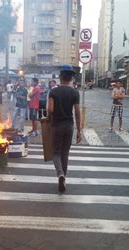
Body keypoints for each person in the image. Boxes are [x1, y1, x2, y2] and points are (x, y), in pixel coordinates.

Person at [47, 65, 82, 193]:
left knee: (56, 152)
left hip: (56, 125)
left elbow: (50, 109)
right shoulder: (75, 92)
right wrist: (79, 131)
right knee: (65, 153)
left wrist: (49, 115)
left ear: (60, 77)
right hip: (69, 126)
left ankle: (60, 174)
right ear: (71, 78)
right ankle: (64, 177)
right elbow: (77, 113)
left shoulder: (53, 91)